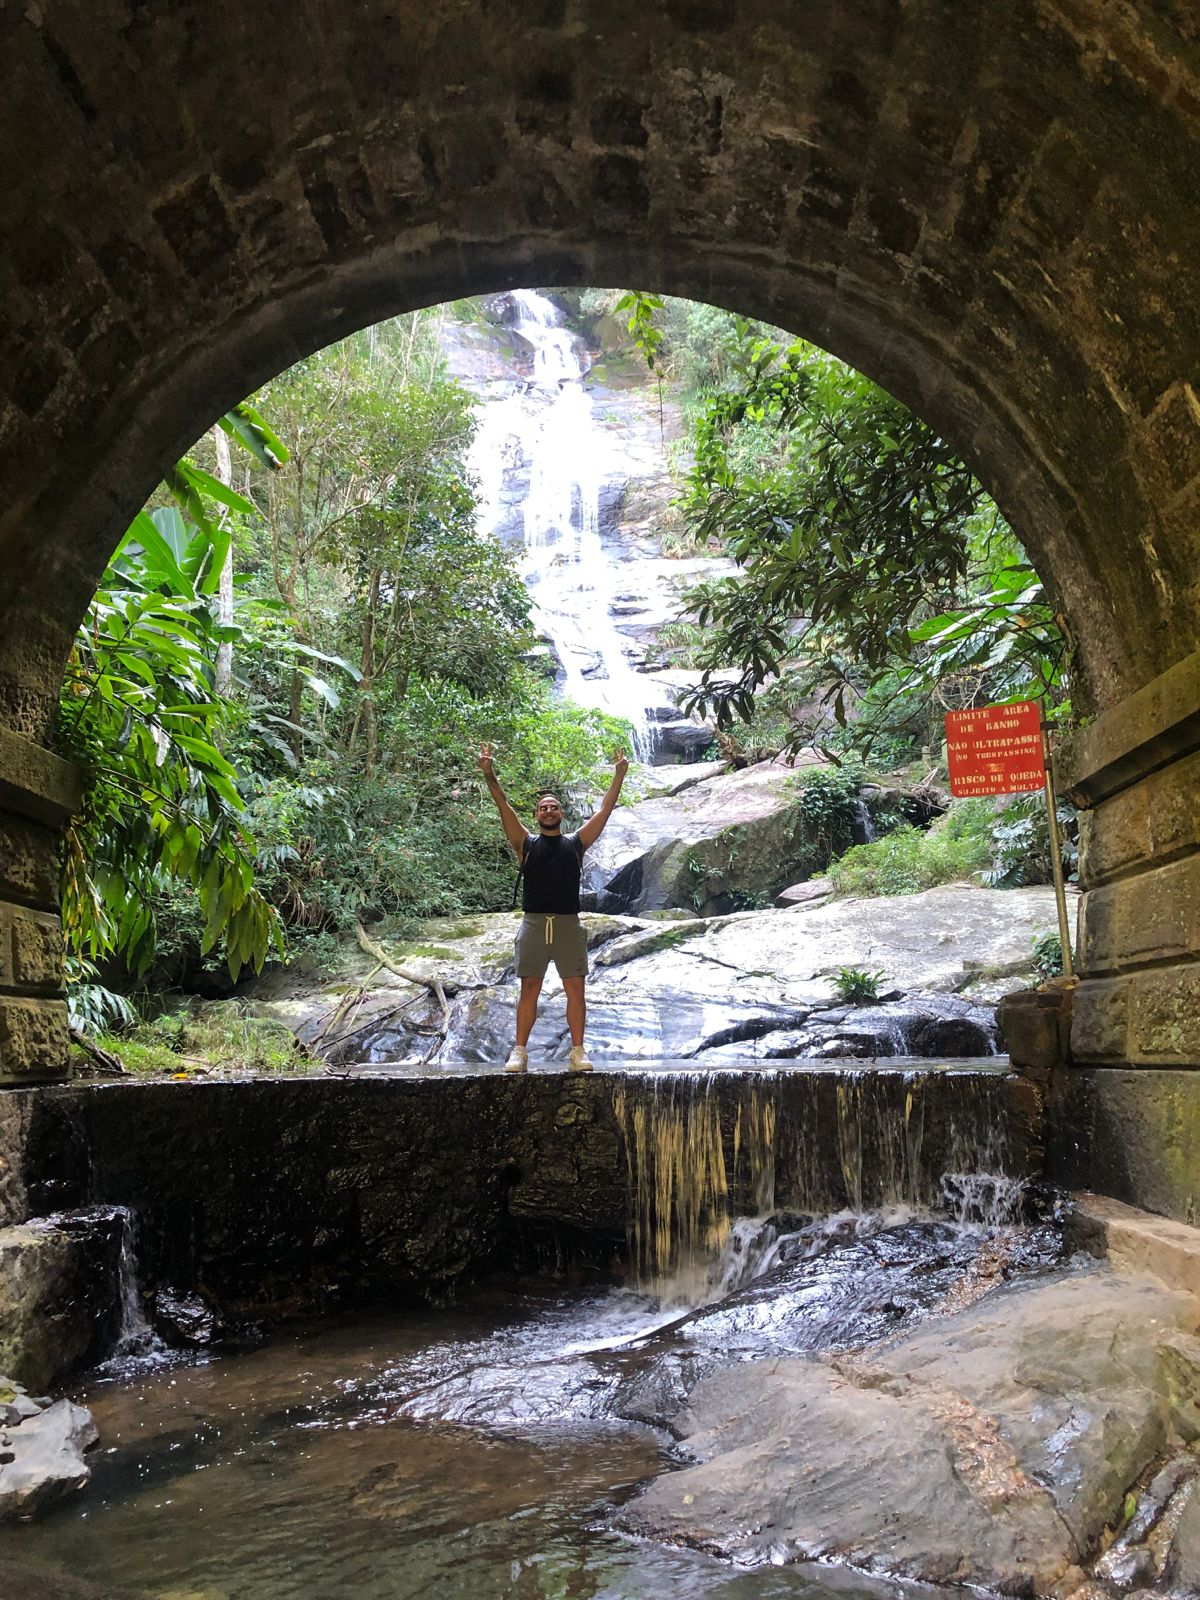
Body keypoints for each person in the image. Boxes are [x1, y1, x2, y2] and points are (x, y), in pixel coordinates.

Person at [478, 743, 628, 1072]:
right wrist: (489, 774)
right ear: (537, 815)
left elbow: (604, 811)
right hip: (533, 924)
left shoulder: (575, 843)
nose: (548, 810)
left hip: (568, 925)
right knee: (529, 986)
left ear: (561, 814)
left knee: (575, 986)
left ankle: (577, 1051)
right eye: (543, 807)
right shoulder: (526, 844)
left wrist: (618, 776)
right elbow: (503, 806)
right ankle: (519, 1051)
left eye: (554, 807)